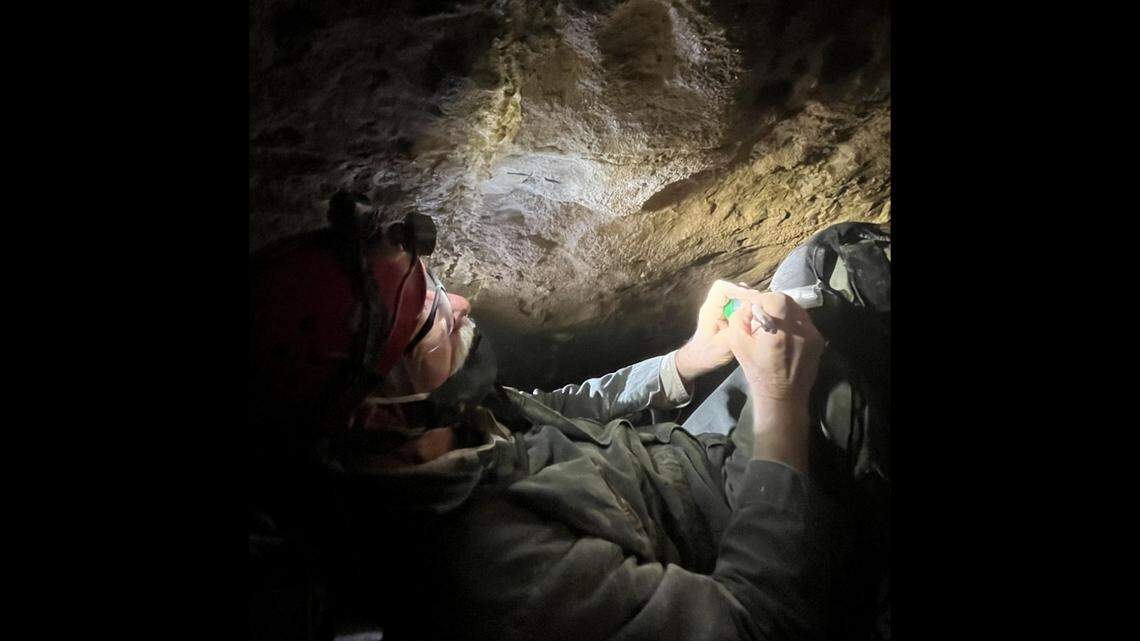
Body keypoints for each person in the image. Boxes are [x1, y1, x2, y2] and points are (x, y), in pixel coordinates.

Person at [249, 192, 888, 641]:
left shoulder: (441, 423)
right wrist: (780, 403)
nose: (463, 304)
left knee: (829, 259)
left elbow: (556, 411)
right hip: (732, 540)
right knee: (842, 364)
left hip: (680, 467)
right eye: (433, 320)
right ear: (380, 419)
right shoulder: (494, 574)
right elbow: (757, 622)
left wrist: (686, 361)